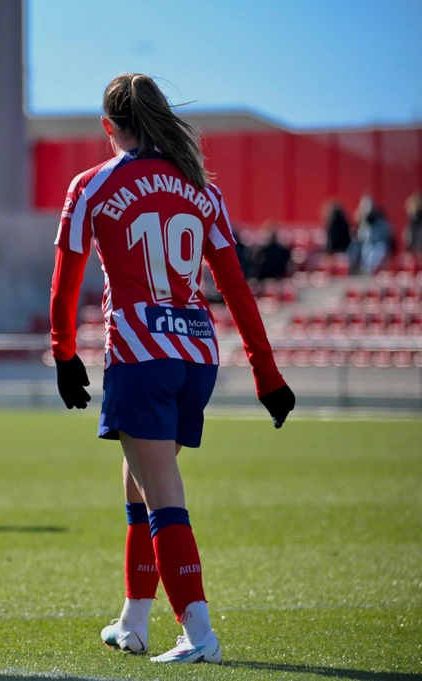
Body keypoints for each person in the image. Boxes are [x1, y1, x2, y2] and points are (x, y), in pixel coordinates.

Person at [49, 73, 295, 665]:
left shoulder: (92, 186)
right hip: (197, 356)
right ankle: (134, 621)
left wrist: (62, 352)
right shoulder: (202, 190)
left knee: (161, 492)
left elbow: (65, 282)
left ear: (110, 127)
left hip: (141, 355)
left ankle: (199, 633)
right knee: (138, 479)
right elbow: (236, 288)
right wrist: (267, 374)